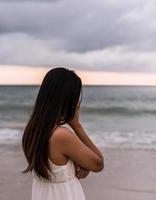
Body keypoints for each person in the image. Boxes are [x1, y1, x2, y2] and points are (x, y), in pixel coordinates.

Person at [22, 67, 104, 200]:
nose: (78, 103)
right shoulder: (61, 136)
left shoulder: (32, 130)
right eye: (76, 97)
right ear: (68, 100)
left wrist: (76, 163)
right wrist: (76, 125)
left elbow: (53, 165)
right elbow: (98, 163)